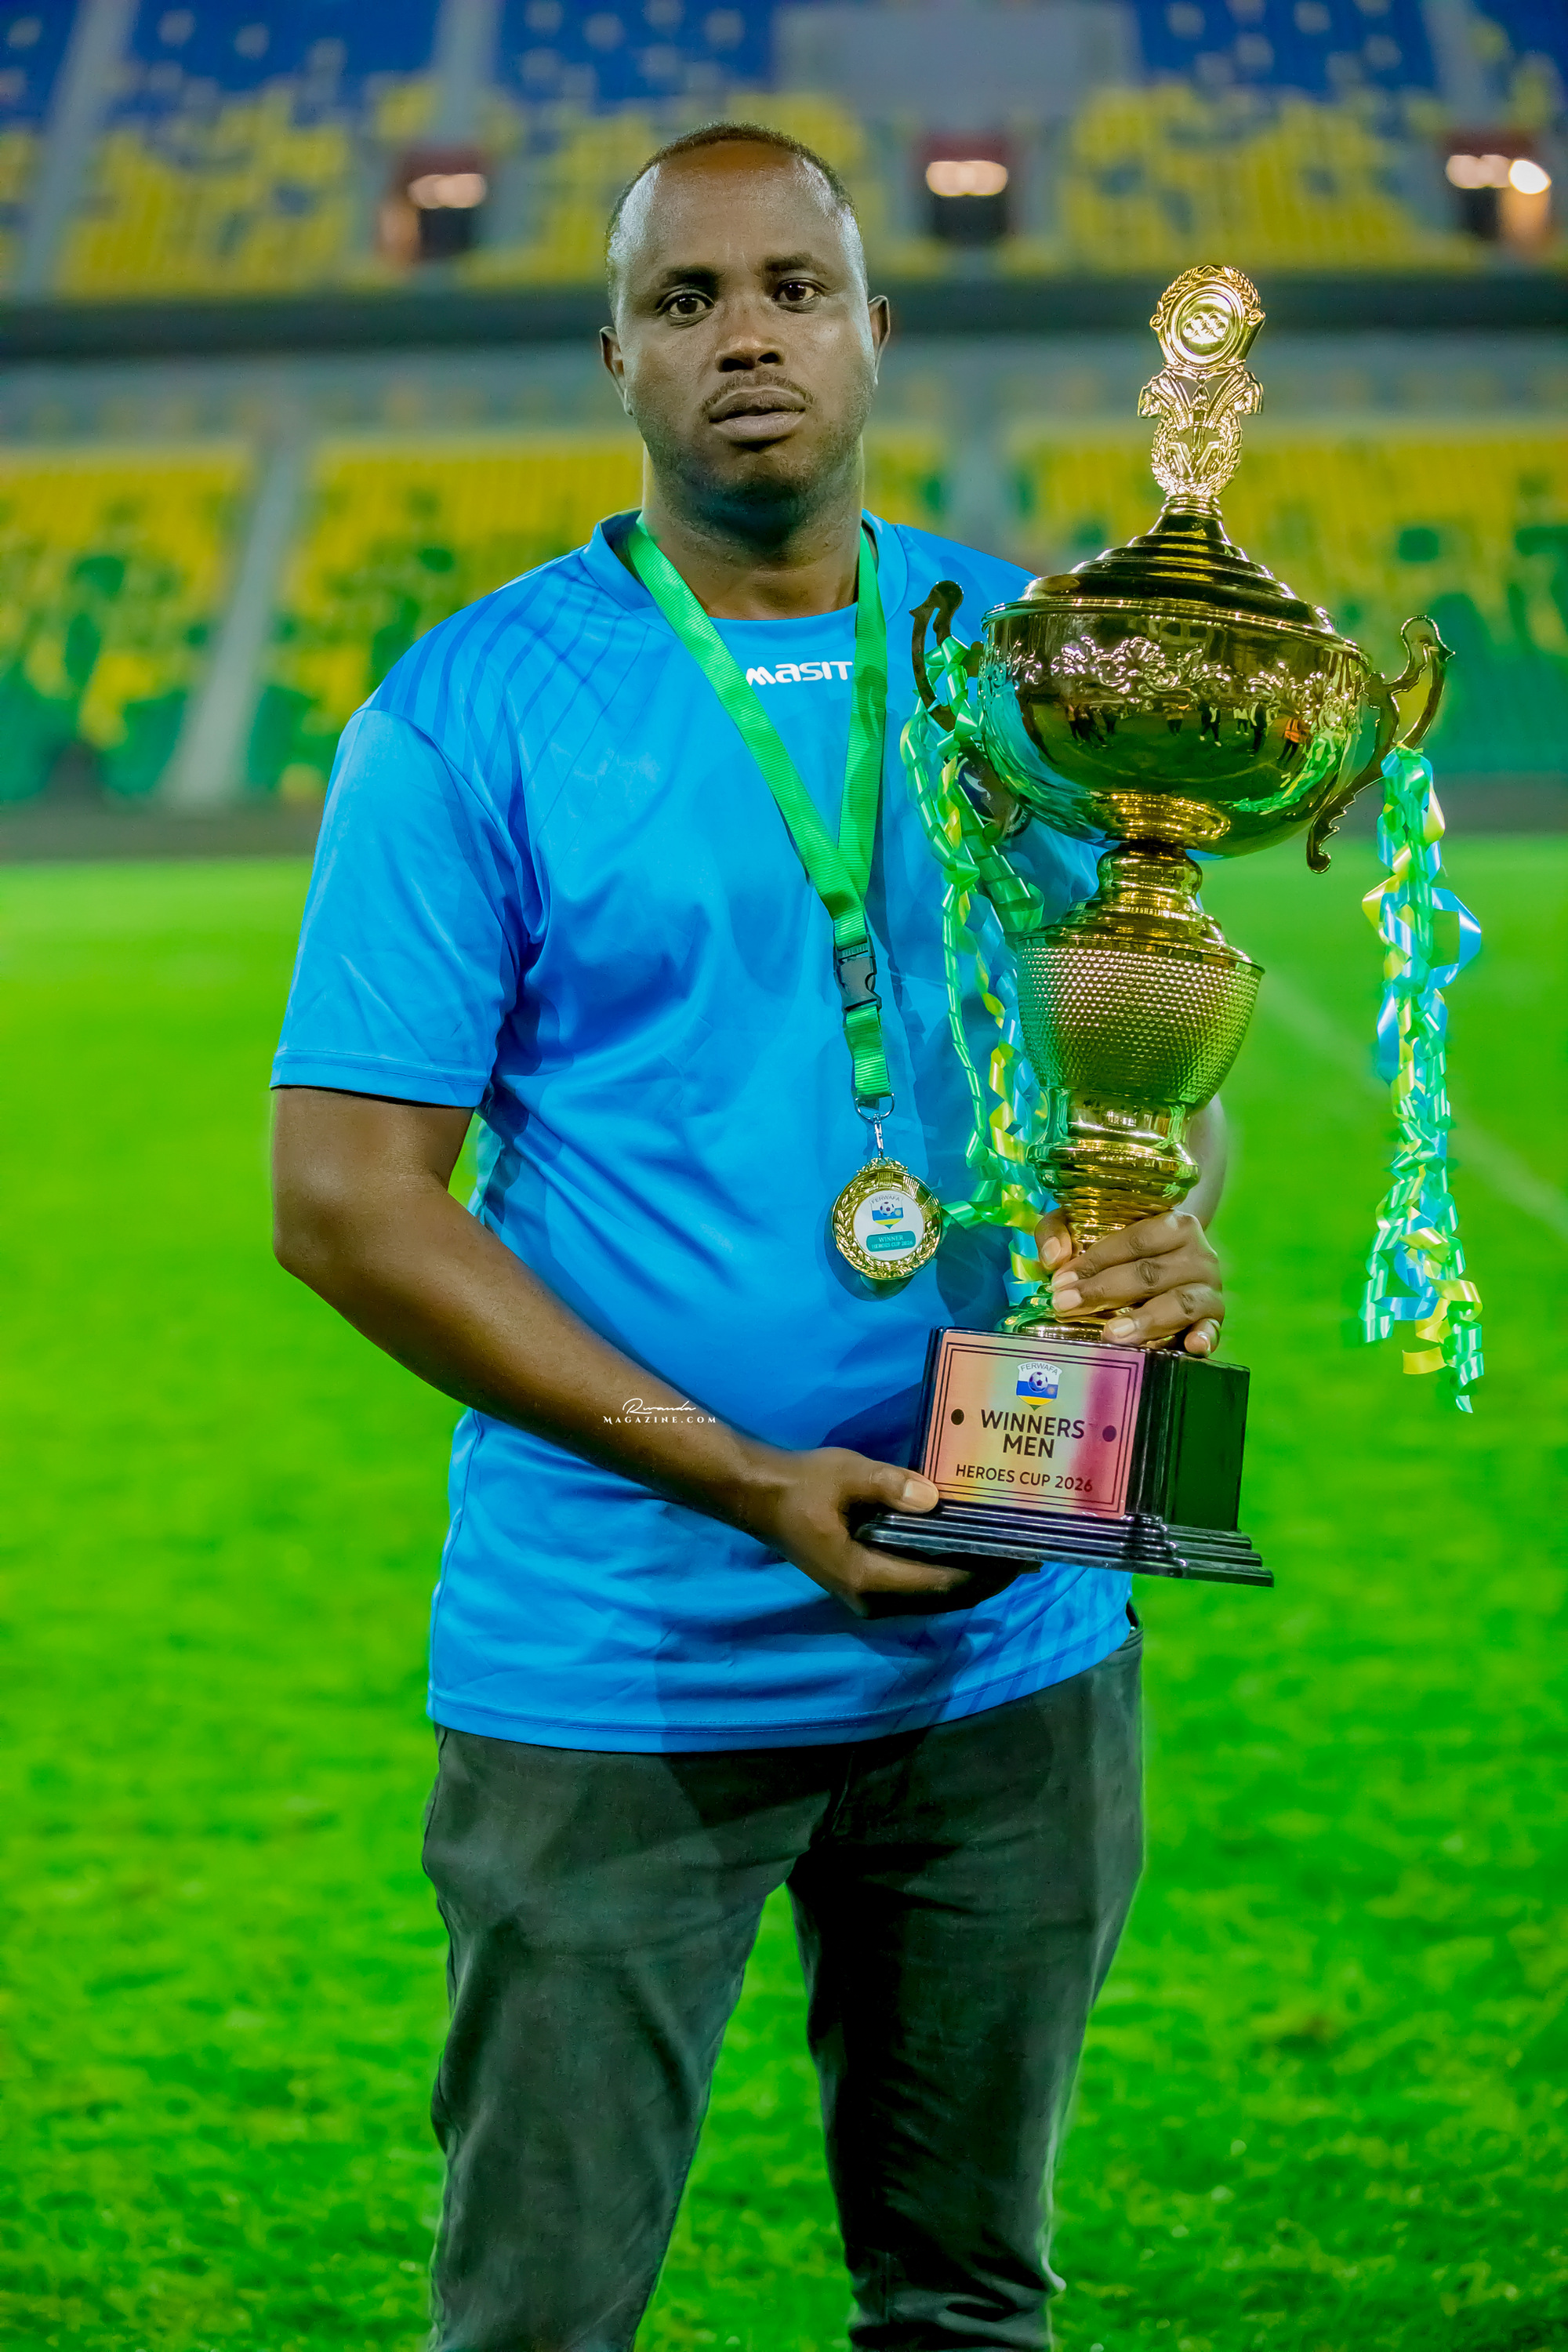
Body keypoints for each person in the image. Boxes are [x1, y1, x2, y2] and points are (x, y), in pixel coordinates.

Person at [270, 123, 1229, 2352]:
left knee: (971, 2298)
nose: (748, 337)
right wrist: (734, 1475)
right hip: (628, 1660)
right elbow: (343, 1203)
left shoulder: (1037, 661)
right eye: (685, 300)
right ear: (616, 357)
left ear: (874, 328)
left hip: (1019, 1625)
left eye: (794, 286)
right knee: (541, 2319)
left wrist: (1167, 1226)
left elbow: (1142, 1052)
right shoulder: (473, 709)